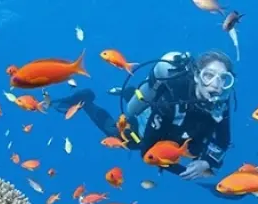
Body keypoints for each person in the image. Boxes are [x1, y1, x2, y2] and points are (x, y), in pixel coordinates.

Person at [51, 50, 236, 180]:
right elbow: (146, 149)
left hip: (181, 135)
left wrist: (205, 163)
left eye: (224, 79)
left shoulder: (219, 102)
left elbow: (223, 139)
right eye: (208, 75)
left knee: (196, 150)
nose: (215, 85)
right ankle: (86, 101)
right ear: (197, 76)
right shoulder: (173, 99)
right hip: (149, 128)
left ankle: (130, 92)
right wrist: (181, 170)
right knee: (116, 134)